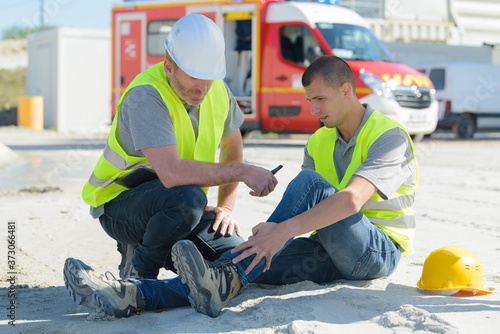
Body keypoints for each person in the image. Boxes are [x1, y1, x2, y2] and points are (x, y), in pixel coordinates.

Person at [63, 55, 418, 319]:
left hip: (377, 252)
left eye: (320, 99)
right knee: (239, 259)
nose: (313, 109)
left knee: (297, 196)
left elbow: (351, 200)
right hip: (328, 249)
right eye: (309, 100)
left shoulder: (388, 136)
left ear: (347, 90)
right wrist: (269, 237)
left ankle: (231, 274)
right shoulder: (317, 142)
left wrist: (282, 230)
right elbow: (313, 210)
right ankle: (134, 295)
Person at [80, 14, 277, 281]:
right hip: (121, 205)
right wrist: (242, 172)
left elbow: (232, 142)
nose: (203, 87)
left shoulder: (216, 89)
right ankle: (141, 275)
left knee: (235, 256)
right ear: (169, 66)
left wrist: (226, 208)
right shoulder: (146, 96)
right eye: (195, 77)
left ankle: (164, 250)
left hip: (181, 209)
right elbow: (172, 174)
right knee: (188, 199)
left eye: (209, 77)